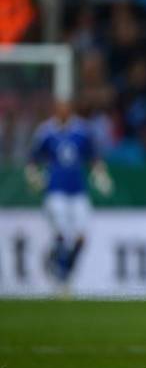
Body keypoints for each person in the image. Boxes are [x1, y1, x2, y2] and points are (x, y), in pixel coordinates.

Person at [25, 100, 113, 284]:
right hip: (55, 190)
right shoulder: (46, 132)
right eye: (59, 109)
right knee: (62, 233)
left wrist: (100, 174)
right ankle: (60, 269)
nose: (63, 113)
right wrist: (34, 176)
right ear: (55, 111)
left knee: (82, 234)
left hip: (78, 190)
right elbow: (33, 158)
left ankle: (65, 266)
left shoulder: (82, 131)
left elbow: (94, 156)